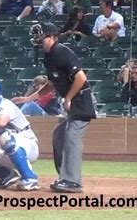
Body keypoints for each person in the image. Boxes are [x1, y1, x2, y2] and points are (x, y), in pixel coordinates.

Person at [30, 22, 96, 193]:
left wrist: (68, 98)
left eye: (41, 36)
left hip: (80, 101)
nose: (38, 40)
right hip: (72, 102)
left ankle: (72, 181)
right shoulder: (49, 56)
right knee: (59, 136)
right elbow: (51, 84)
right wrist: (28, 98)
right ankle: (65, 177)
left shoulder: (61, 51)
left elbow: (81, 78)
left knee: (72, 137)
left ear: (51, 38)